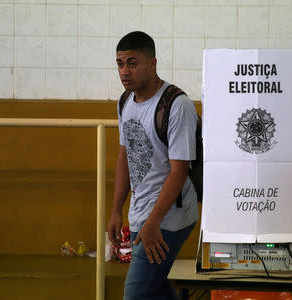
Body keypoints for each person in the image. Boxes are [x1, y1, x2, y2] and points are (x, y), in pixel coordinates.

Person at [107, 31, 199, 300]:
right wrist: (116, 210)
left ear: (152, 63)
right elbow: (125, 157)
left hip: (169, 217)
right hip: (140, 213)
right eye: (120, 64)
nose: (125, 71)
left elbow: (179, 170)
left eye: (133, 63)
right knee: (156, 291)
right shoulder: (125, 102)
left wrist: (153, 222)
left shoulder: (176, 105)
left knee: (135, 294)